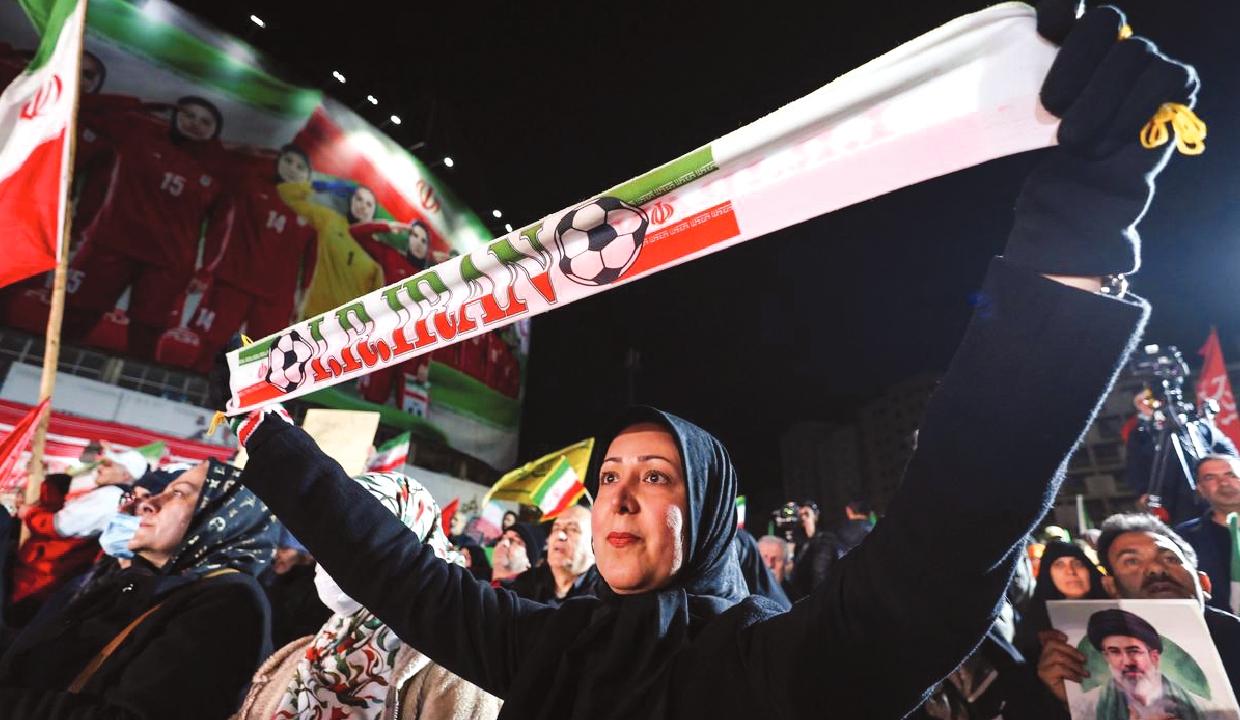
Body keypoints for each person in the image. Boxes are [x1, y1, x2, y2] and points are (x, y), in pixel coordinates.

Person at [221, 7, 1196, 718]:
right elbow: (391, 567)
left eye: (655, 478)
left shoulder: (783, 667)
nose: (616, 497)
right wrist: (265, 437)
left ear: (712, 519)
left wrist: (1078, 224)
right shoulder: (541, 645)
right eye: (608, 476)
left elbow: (956, 519)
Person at [0, 459, 278, 719]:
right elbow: (49, 654)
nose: (148, 503)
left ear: (226, 516)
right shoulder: (151, 580)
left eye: (179, 493)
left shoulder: (229, 604)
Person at [232, 472, 501, 720]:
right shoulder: (326, 639)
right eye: (329, 540)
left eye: (355, 542)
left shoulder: (459, 670)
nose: (331, 560)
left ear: (408, 549)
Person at [63, 96, 226, 359]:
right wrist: (142, 104)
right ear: (173, 114)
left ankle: (133, 383)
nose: (195, 124)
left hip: (168, 263)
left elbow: (220, 227)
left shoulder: (221, 167)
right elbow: (83, 107)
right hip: (113, 246)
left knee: (146, 338)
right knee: (77, 317)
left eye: (206, 122)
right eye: (189, 115)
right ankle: (46, 370)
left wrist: (205, 271)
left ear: (214, 132)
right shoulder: (137, 133)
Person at [1035, 514, 1240, 718]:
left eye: (1170, 558)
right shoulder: (1086, 689)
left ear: (1204, 583)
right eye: (1132, 561)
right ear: (1111, 587)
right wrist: (1071, 706)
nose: (1155, 568)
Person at [190, 144, 318, 372]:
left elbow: (311, 264)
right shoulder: (250, 186)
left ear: (308, 176)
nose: (292, 169)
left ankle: (239, 396)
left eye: (300, 167)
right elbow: (226, 170)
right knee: (212, 347)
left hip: (275, 299)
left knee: (264, 360)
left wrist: (302, 302)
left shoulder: (312, 213)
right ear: (277, 162)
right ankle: (193, 388)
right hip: (234, 283)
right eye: (288, 161)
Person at [8, 448, 148, 625]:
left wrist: (30, 514)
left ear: (126, 475)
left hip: (46, 574)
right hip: (43, 572)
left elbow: (59, 526)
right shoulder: (108, 494)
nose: (100, 468)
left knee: (16, 621)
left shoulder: (110, 496)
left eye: (108, 465)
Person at [278, 179, 386, 320]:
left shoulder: (378, 251)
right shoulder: (330, 221)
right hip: (311, 318)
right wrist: (325, 186)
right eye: (359, 199)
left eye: (369, 204)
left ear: (373, 213)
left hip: (345, 326)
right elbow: (285, 193)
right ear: (351, 201)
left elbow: (376, 302)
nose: (363, 206)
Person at [1078, 609, 1204, 720]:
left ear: (1154, 657)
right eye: (1115, 652)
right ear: (1107, 657)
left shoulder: (1200, 707)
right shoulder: (1086, 706)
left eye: (1134, 651)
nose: (1127, 662)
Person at [1014, 540, 1109, 664]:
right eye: (1059, 564)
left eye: (1078, 563)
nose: (1071, 571)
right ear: (1049, 575)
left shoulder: (1120, 608)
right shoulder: (1034, 627)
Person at [1174, 453, 1240, 612]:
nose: (1224, 483)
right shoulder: (1184, 537)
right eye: (1210, 478)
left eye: (1231, 475)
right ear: (1200, 490)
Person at [509, 505, 604, 606]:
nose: (560, 535)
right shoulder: (526, 583)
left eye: (573, 529)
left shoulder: (607, 596)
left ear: (595, 544)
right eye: (556, 528)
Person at [490, 522, 543, 587]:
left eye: (515, 541)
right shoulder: (479, 576)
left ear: (528, 563)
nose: (504, 543)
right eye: (502, 538)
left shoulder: (522, 592)